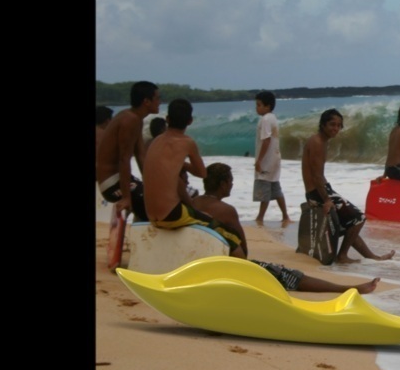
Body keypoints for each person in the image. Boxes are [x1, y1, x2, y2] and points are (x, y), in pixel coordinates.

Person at [193, 163, 379, 294]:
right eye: (231, 181)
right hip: (232, 271)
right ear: (224, 183)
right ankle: (347, 289)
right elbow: (244, 250)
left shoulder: (192, 204)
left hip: (199, 267)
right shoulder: (226, 211)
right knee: (293, 276)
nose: (232, 184)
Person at [142, 99, 245, 258]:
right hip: (171, 214)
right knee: (229, 233)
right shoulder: (187, 142)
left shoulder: (155, 142)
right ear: (190, 121)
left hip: (150, 213)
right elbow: (202, 173)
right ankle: (242, 263)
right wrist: (183, 164)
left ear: (167, 119)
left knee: (200, 215)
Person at [302, 109, 395, 264]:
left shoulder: (320, 141)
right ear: (323, 124)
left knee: (350, 222)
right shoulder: (317, 142)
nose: (336, 129)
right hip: (317, 193)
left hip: (320, 190)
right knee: (358, 218)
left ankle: (372, 257)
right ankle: (342, 256)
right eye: (332, 124)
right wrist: (326, 199)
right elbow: (316, 175)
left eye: (339, 126)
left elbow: (318, 175)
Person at [96, 82, 160, 221]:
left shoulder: (136, 119)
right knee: (153, 206)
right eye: (157, 98)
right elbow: (124, 159)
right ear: (146, 101)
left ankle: (139, 228)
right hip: (111, 184)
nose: (159, 102)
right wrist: (126, 197)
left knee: (156, 197)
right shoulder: (129, 120)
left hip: (121, 180)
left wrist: (150, 183)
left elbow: (141, 156)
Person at [253, 91, 292, 228]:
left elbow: (266, 140)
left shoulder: (265, 120)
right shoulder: (273, 118)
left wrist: (259, 161)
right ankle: (285, 216)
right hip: (275, 159)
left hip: (267, 161)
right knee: (275, 188)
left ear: (267, 106)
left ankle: (260, 217)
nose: (256, 108)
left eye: (259, 105)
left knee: (264, 188)